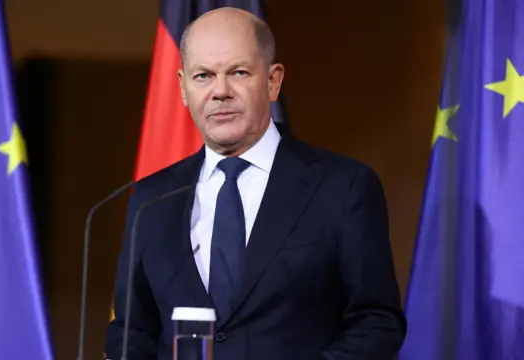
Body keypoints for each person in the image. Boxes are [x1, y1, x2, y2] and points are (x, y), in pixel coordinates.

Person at [105, 7, 406, 360]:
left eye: (239, 72)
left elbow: (376, 322)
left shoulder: (343, 187)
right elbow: (133, 330)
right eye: (203, 76)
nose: (220, 91)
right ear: (183, 87)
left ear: (273, 81)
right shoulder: (153, 198)